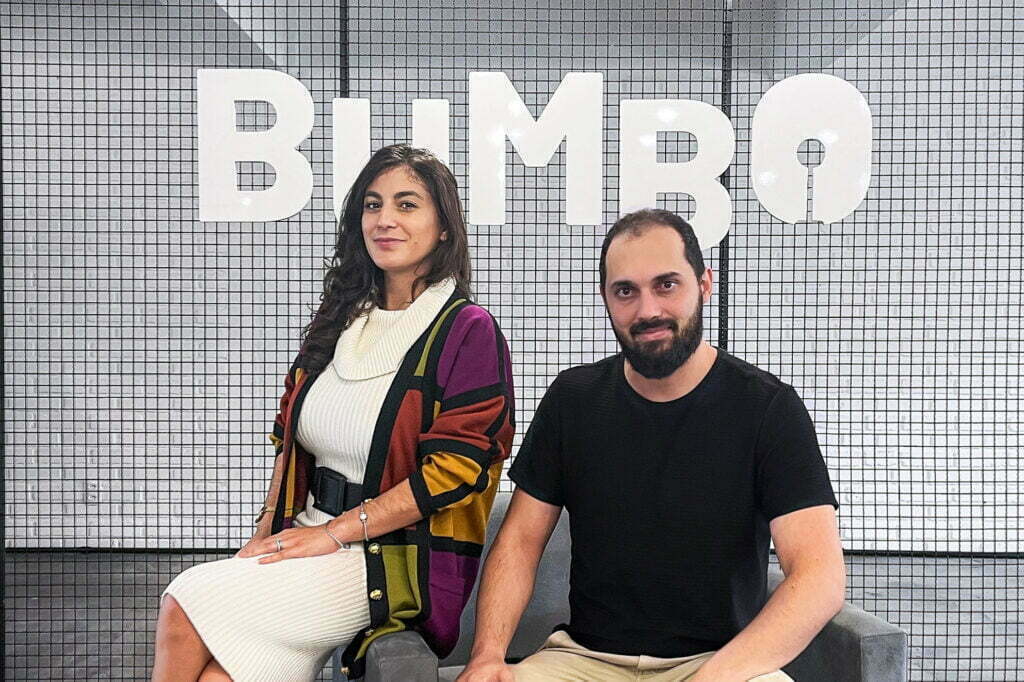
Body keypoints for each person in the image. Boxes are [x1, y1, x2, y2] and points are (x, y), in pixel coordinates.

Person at [153, 144, 515, 682]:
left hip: (390, 559)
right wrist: (264, 533)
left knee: (185, 600)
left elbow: (456, 472)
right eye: (372, 204)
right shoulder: (342, 317)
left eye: (407, 204)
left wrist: (338, 533)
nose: (385, 219)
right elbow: (290, 440)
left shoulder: (467, 331)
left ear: (444, 228)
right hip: (308, 532)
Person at [458, 209, 844, 682]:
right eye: (626, 291)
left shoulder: (768, 408)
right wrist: (488, 656)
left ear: (704, 284)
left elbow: (819, 576)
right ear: (605, 298)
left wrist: (712, 678)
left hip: (720, 663)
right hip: (583, 661)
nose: (647, 311)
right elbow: (520, 541)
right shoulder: (573, 399)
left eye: (666, 285)